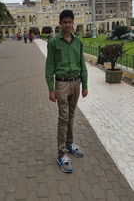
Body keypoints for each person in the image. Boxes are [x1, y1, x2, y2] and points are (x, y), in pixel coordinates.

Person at [45, 10, 88, 173]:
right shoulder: (54, 42)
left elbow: (82, 63)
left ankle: (70, 144)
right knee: (63, 118)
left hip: (76, 82)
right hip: (62, 84)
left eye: (70, 22)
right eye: (65, 22)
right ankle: (61, 154)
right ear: (60, 23)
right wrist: (51, 89)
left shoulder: (78, 42)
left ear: (73, 23)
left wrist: (85, 84)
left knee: (71, 115)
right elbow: (49, 66)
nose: (67, 25)